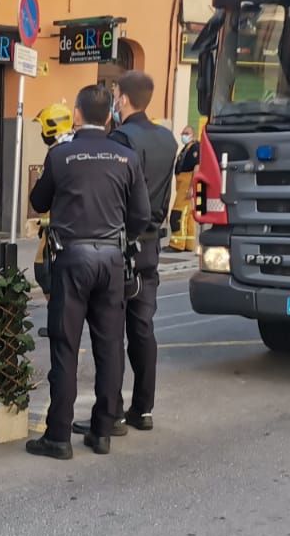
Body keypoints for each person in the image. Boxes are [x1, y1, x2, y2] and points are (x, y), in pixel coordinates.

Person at [26, 84, 149, 460]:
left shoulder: (61, 155)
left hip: (72, 258)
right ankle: (101, 431)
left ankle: (59, 436)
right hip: (111, 260)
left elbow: (38, 201)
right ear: (110, 116)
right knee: (110, 346)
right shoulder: (126, 157)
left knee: (65, 345)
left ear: (77, 114)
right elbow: (141, 215)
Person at [73, 70, 177, 438]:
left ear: (125, 100)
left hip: (121, 244)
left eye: (115, 94)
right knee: (144, 328)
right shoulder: (168, 140)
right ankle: (143, 408)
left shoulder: (120, 139)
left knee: (110, 332)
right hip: (150, 245)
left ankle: (112, 413)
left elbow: (120, 195)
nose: (113, 101)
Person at [30, 102, 74, 329]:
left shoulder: (57, 154)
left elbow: (40, 199)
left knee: (44, 270)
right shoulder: (76, 148)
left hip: (59, 229)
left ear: (51, 127)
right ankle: (61, 318)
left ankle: (59, 318)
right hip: (77, 228)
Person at [171, 125, 200, 253]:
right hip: (182, 181)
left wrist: (191, 187)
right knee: (188, 215)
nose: (183, 135)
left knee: (179, 213)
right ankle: (189, 244)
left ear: (193, 135)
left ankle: (177, 244)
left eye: (186, 133)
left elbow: (196, 168)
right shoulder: (187, 148)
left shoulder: (195, 148)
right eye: (183, 132)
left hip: (187, 182)